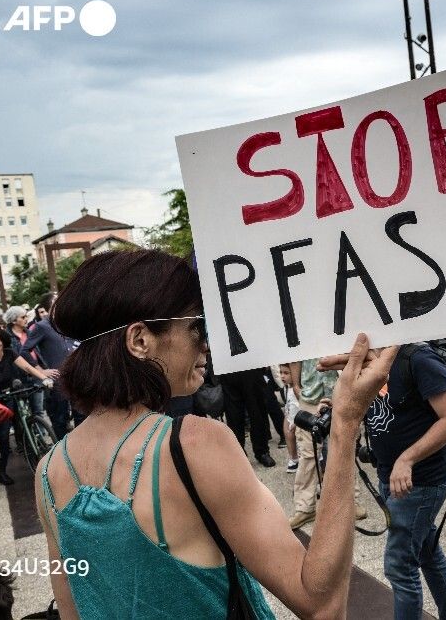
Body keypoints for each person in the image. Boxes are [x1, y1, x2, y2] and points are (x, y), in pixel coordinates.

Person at [34, 249, 396, 618]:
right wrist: (346, 422)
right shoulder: (194, 444)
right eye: (198, 326)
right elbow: (321, 605)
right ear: (140, 340)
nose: (208, 343)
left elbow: (71, 608)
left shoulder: (48, 471)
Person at [352, 341, 446, 619]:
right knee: (427, 551)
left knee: (399, 565)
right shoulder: (378, 362)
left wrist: (408, 459)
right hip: (391, 478)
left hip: (420, 482)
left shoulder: (418, 358)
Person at [286, 358, 366, 530]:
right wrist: (297, 386)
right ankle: (305, 508)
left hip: (342, 393)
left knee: (346, 451)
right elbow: (294, 354)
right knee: (307, 455)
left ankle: (351, 503)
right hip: (309, 395)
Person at [0, 328, 55, 491]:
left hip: (6, 398)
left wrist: (44, 378)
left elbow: (28, 368)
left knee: (3, 437)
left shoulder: (10, 353)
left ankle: (2, 472)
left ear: (3, 340)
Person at [22, 293, 81, 439]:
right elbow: (24, 350)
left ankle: (80, 448)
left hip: (75, 377)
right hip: (57, 380)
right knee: (60, 418)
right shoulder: (42, 326)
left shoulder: (68, 323)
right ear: (49, 307)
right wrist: (41, 370)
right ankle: (60, 452)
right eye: (56, 301)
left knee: (81, 415)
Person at [219, 367, 279, 467]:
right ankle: (238, 454)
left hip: (251, 367)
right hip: (227, 371)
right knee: (233, 416)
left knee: (258, 412)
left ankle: (262, 452)